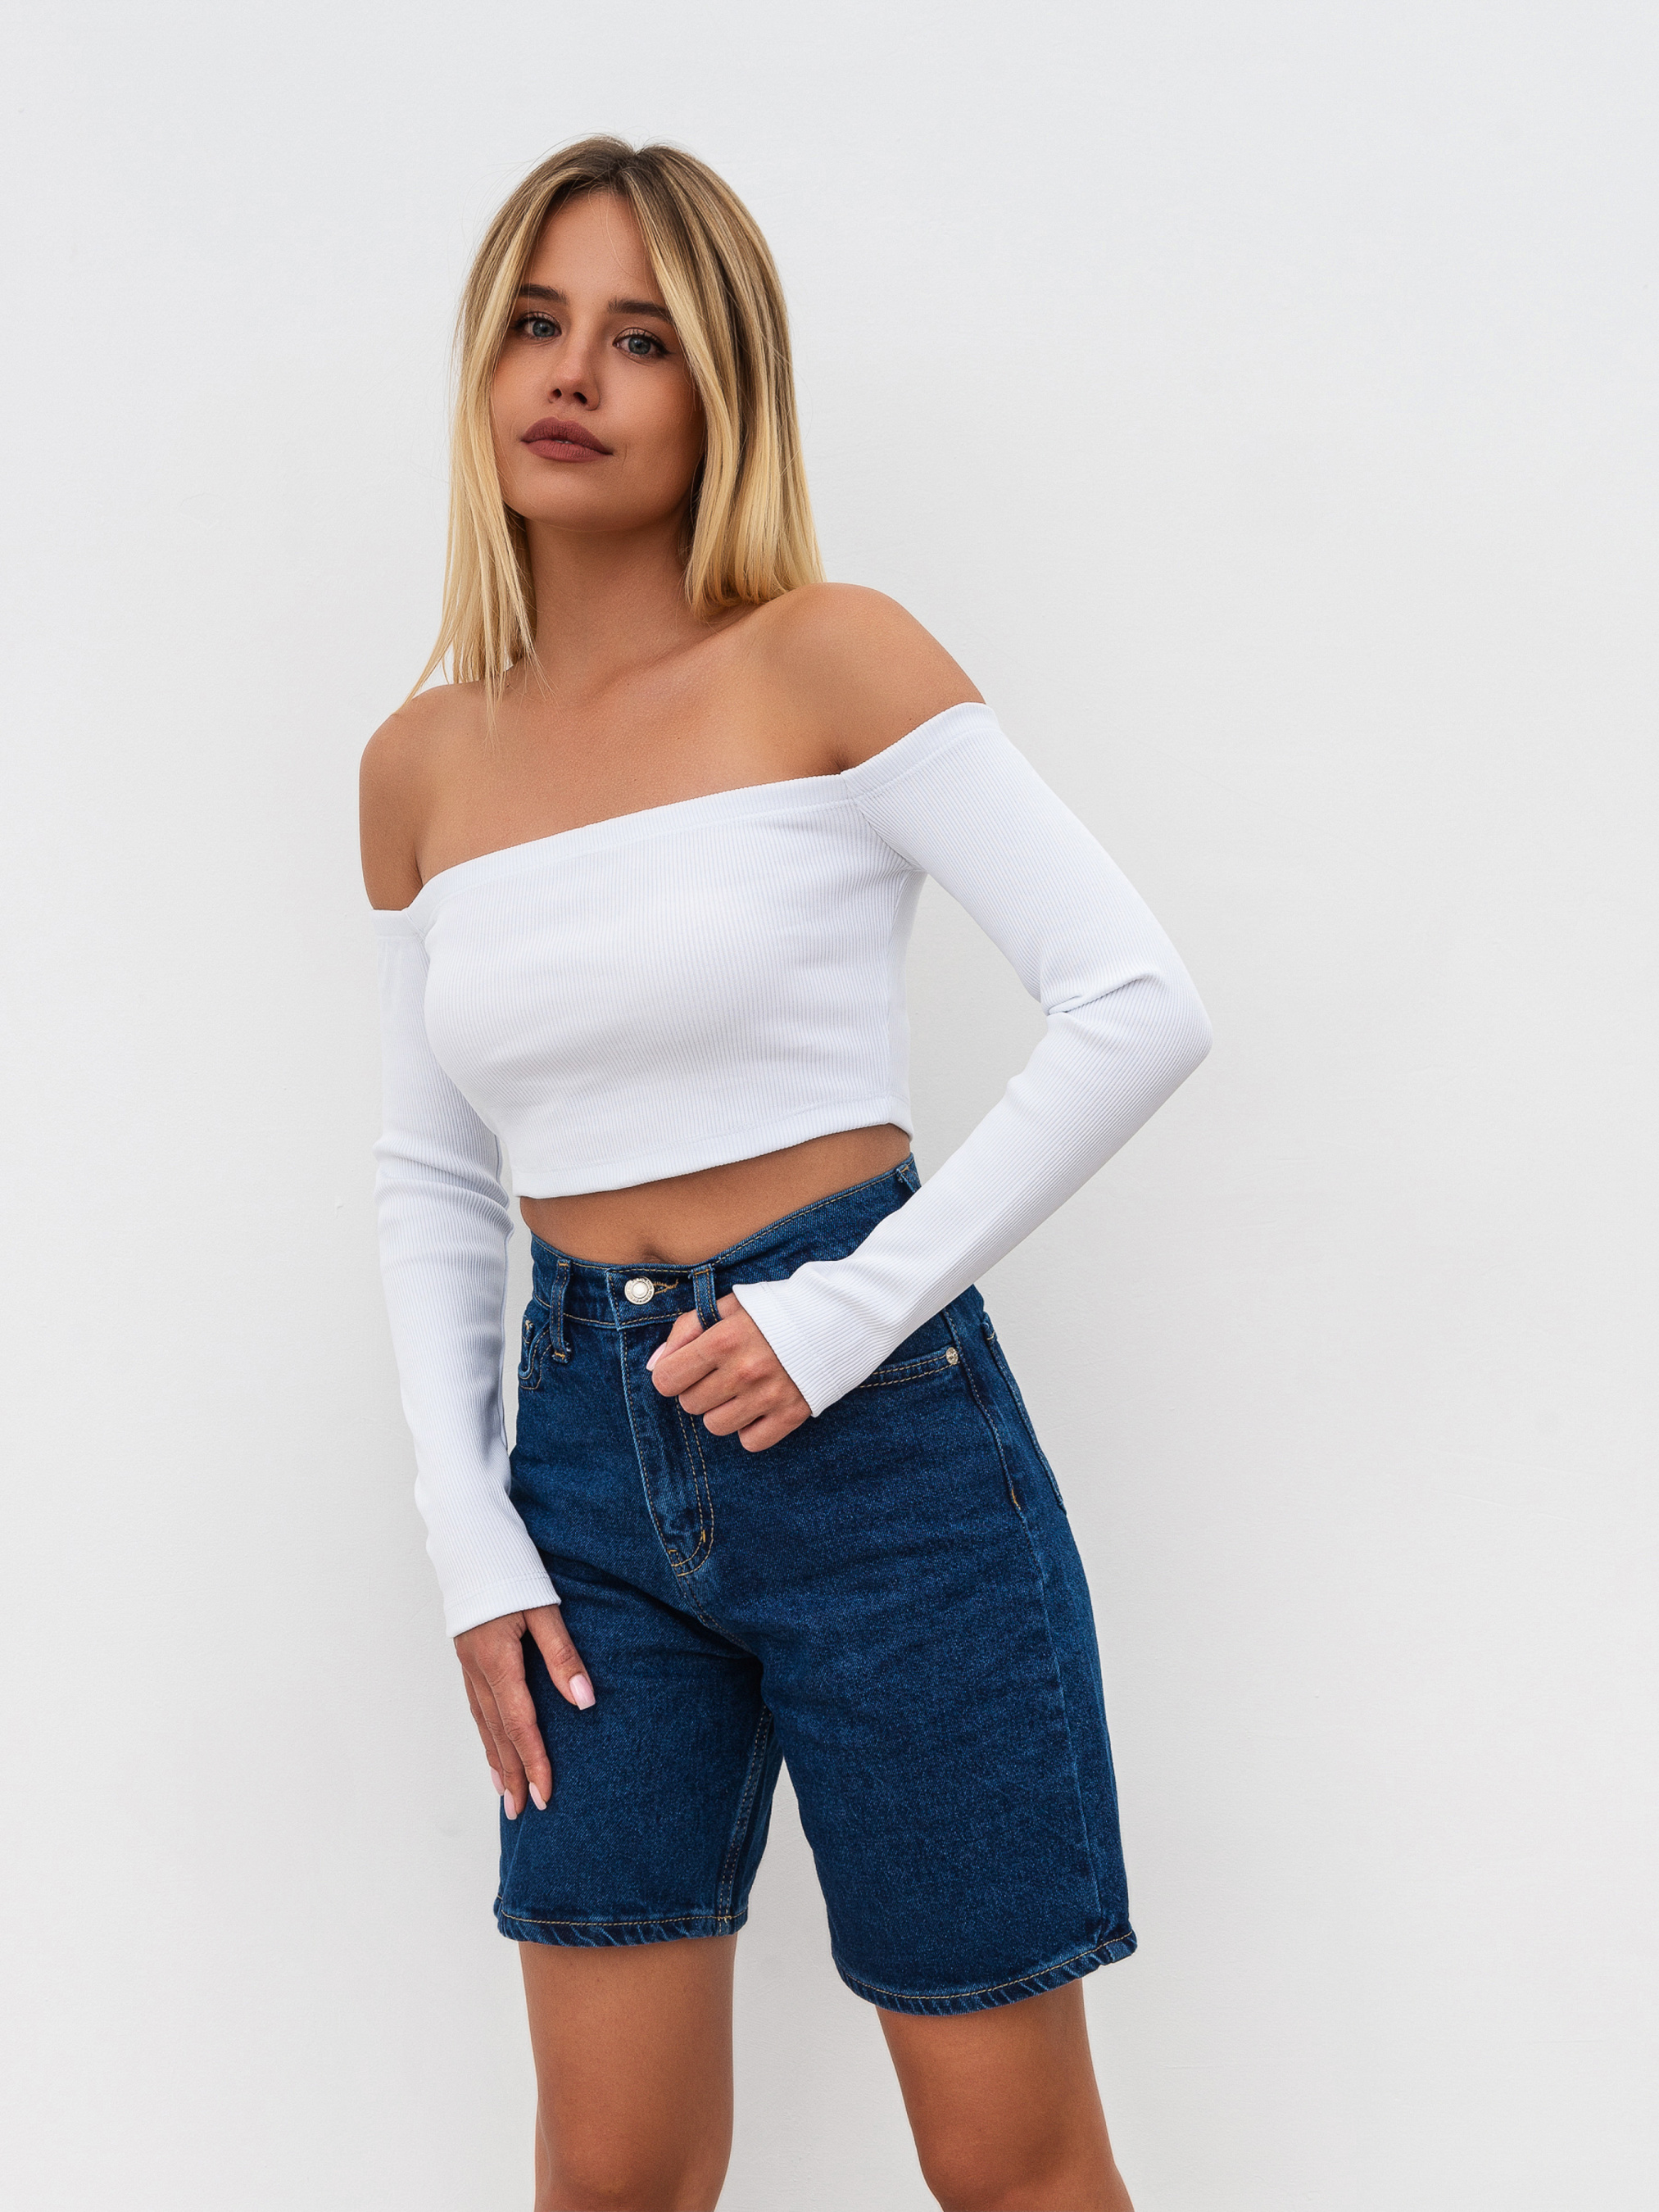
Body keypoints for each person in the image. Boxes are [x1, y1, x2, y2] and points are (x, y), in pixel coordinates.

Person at [360, 134, 1211, 2212]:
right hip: (580, 1488)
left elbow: (1135, 1002)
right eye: (535, 325)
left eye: (640, 337)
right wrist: (470, 1536)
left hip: (882, 1456)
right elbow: (432, 1176)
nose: (574, 374)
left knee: (1009, 2165)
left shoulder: (826, 659)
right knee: (610, 2176)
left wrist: (846, 1313)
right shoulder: (423, 761)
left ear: (721, 386)